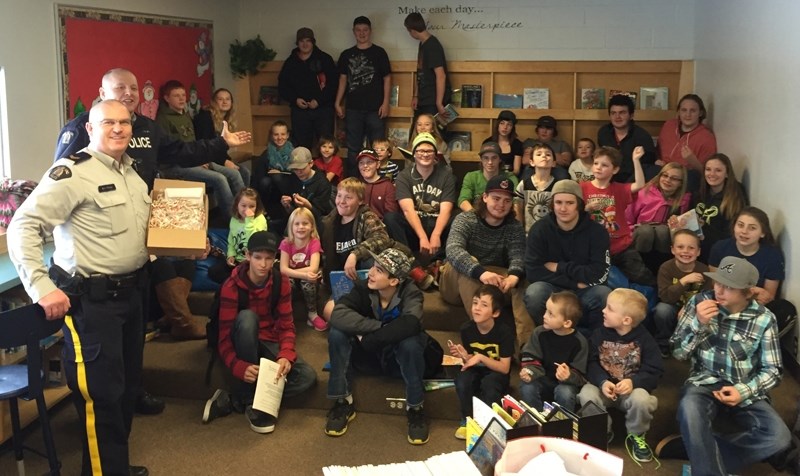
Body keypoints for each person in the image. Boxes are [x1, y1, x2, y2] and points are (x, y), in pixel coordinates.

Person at [52, 67, 252, 416]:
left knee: (134, 333)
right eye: (119, 88)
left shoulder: (143, 135)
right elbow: (53, 206)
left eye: (133, 88)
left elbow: (182, 154)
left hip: (139, 253)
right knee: (106, 361)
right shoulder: (78, 138)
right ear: (101, 93)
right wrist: (42, 284)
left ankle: (134, 392)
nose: (127, 95)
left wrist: (222, 144)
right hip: (95, 270)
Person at [9, 100, 151, 475]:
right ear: (90, 129)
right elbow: (23, 227)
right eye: (109, 122)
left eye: (124, 122)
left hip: (132, 297)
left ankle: (109, 467)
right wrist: (41, 286)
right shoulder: (71, 173)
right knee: (101, 399)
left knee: (124, 393)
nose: (118, 129)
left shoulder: (132, 173)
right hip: (93, 304)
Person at [658, 256, 794, 475]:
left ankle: (695, 447)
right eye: (718, 282)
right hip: (703, 382)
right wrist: (698, 324)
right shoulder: (699, 303)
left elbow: (774, 370)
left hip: (745, 387)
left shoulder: (764, 318)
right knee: (690, 410)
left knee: (779, 437)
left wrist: (743, 391)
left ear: (748, 292)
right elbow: (678, 353)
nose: (719, 290)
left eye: (729, 287)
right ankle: (700, 449)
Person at [203, 231, 317, 434]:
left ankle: (241, 398)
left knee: (306, 377)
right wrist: (238, 366)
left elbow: (287, 325)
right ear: (247, 256)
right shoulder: (231, 286)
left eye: (268, 258)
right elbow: (223, 338)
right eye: (257, 257)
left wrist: (286, 354)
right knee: (248, 319)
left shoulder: (280, 281)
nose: (263, 264)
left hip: (268, 340)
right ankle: (251, 399)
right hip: (242, 340)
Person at [325, 247, 433, 445]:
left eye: (380, 270)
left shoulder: (412, 293)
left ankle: (415, 408)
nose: (371, 273)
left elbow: (411, 323)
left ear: (394, 281)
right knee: (337, 333)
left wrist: (369, 338)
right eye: (373, 267)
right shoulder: (363, 287)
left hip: (396, 357)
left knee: (410, 342)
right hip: (368, 355)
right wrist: (380, 327)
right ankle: (343, 401)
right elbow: (338, 314)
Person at [440, 174, 531, 347]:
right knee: (470, 268)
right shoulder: (466, 219)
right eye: (496, 198)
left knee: (522, 278)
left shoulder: (514, 226)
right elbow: (453, 249)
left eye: (506, 201)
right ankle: (490, 341)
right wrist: (480, 272)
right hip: (455, 281)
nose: (501, 205)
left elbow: (518, 254)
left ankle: (526, 349)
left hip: (493, 279)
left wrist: (514, 275)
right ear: (485, 197)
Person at [578, 288, 664, 465]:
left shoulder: (645, 340)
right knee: (587, 393)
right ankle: (602, 431)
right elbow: (590, 362)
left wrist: (634, 382)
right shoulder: (599, 334)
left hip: (630, 393)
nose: (603, 310)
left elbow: (655, 370)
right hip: (604, 389)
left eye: (609, 308)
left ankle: (637, 434)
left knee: (642, 399)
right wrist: (602, 381)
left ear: (626, 320)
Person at [523, 179, 611, 333]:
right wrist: (574, 283)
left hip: (585, 291)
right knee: (535, 292)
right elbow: (533, 272)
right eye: (558, 202)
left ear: (579, 204)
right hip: (555, 289)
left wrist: (559, 266)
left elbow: (600, 274)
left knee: (603, 294)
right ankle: (550, 336)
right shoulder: (539, 230)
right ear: (552, 204)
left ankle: (592, 340)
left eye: (569, 203)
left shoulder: (597, 232)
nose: (563, 208)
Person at [156, 79, 246, 222]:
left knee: (235, 173)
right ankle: (233, 221)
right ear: (166, 98)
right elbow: (172, 153)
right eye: (176, 96)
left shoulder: (184, 115)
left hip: (195, 159)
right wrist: (197, 161)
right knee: (219, 178)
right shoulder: (162, 120)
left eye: (183, 95)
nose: (181, 99)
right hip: (175, 166)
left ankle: (247, 213)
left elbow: (195, 144)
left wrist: (200, 158)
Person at [582, 146, 655, 286]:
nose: (598, 167)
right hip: (594, 247)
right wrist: (587, 208)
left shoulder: (619, 189)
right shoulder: (582, 187)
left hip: (621, 246)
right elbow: (575, 214)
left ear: (615, 170)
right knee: (600, 282)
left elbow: (640, 184)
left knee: (642, 276)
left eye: (604, 165)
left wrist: (636, 160)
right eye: (596, 163)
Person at [450, 285, 514, 440]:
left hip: (496, 372)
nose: (477, 308)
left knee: (490, 384)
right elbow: (471, 359)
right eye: (475, 303)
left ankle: (488, 423)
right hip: (477, 369)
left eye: (484, 305)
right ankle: (467, 419)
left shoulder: (504, 332)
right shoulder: (467, 329)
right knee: (462, 378)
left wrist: (480, 357)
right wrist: (465, 356)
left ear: (496, 312)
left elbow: (505, 368)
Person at [708, 207, 793, 320]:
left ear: (762, 233)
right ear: (734, 226)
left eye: (752, 228)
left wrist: (740, 294)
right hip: (723, 302)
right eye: (740, 225)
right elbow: (715, 285)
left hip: (755, 308)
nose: (744, 231)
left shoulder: (773, 256)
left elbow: (767, 296)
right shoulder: (720, 248)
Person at [335, 16, 392, 178]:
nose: (362, 33)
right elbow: (343, 80)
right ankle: (354, 182)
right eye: (358, 30)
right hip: (353, 108)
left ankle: (378, 181)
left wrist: (386, 102)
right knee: (354, 148)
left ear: (370, 31)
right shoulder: (346, 54)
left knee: (378, 148)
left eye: (365, 30)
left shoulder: (379, 53)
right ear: (353, 32)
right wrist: (338, 102)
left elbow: (387, 78)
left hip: (376, 108)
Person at [385, 132, 456, 261]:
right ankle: (407, 259)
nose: (425, 154)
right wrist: (423, 237)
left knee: (459, 217)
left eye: (429, 151)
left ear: (435, 154)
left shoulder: (446, 176)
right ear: (414, 153)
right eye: (421, 151)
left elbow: (446, 210)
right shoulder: (404, 176)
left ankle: (439, 261)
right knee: (391, 218)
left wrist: (436, 234)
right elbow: (408, 210)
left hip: (438, 224)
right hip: (414, 227)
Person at [519, 291, 588, 411]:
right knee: (527, 386)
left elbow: (581, 376)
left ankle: (561, 424)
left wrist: (569, 375)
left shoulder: (580, 342)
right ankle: (536, 422)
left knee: (565, 392)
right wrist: (528, 371)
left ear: (566, 323)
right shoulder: (539, 333)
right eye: (546, 310)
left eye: (551, 314)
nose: (544, 316)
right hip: (543, 379)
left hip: (565, 385)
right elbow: (530, 357)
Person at [651, 230, 711, 357]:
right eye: (680, 247)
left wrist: (689, 309)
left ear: (698, 252)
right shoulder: (666, 268)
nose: (685, 251)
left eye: (691, 248)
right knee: (662, 310)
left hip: (694, 308)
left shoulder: (704, 270)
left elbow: (707, 296)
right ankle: (663, 344)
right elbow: (665, 297)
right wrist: (683, 281)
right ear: (672, 250)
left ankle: (692, 346)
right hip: (671, 305)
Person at [278, 27, 338, 149]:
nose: (305, 44)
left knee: (326, 146)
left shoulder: (324, 59)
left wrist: (319, 100)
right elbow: (283, 86)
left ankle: (327, 169)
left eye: (308, 41)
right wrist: (295, 99)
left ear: (313, 42)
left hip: (323, 110)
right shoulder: (291, 62)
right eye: (301, 41)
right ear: (297, 43)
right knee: (301, 147)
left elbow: (333, 85)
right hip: (300, 112)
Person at [693, 153, 748, 262]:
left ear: (727, 173)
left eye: (718, 170)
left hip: (720, 246)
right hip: (697, 242)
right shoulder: (699, 191)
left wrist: (705, 229)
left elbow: (732, 232)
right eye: (708, 169)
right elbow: (690, 215)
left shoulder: (735, 193)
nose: (712, 174)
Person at [626, 162, 691, 255]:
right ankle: (638, 263)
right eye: (665, 175)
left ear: (681, 183)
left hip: (664, 239)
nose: (668, 180)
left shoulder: (684, 200)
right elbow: (627, 218)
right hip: (640, 234)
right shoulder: (644, 192)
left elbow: (683, 228)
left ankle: (660, 265)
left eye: (674, 178)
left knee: (662, 231)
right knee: (646, 231)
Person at [656, 93, 717, 192]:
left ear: (700, 113)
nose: (688, 115)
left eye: (692, 111)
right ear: (679, 112)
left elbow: (707, 175)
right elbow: (657, 150)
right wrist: (657, 160)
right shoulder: (669, 125)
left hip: (684, 179)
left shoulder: (706, 137)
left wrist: (693, 161)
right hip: (663, 172)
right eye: (684, 110)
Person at [193, 87, 252, 189]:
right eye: (220, 99)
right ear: (214, 102)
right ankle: (237, 204)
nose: (224, 102)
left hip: (217, 158)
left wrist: (226, 160)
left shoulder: (225, 120)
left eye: (227, 99)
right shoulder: (205, 117)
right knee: (235, 174)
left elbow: (221, 148)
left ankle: (242, 202)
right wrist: (224, 162)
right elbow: (206, 147)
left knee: (245, 172)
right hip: (205, 159)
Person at [279, 207, 326, 331]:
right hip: (294, 279)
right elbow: (282, 269)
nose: (301, 227)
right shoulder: (286, 243)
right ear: (291, 227)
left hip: (307, 279)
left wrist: (298, 274)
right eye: (297, 224)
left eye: (305, 223)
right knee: (286, 282)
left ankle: (312, 314)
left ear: (312, 226)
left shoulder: (314, 242)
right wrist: (303, 274)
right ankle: (286, 316)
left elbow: (314, 268)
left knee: (309, 280)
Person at [404, 12, 452, 125]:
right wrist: (416, 95)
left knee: (434, 134)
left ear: (412, 30)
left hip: (433, 101)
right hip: (424, 98)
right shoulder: (423, 44)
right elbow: (420, 72)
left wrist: (439, 103)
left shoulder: (432, 45)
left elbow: (441, 75)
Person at [597, 94, 656, 183]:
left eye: (622, 113)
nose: (617, 117)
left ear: (631, 115)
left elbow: (647, 168)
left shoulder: (643, 137)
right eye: (613, 113)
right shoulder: (603, 133)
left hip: (634, 183)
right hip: (608, 181)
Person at [276, 146, 333, 233]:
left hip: (316, 224)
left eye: (302, 168)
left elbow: (323, 214)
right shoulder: (292, 179)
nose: (299, 172)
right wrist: (287, 206)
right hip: (295, 221)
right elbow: (291, 212)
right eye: (295, 169)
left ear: (311, 164)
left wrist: (308, 206)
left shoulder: (322, 183)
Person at [459, 141, 518, 212]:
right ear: (481, 159)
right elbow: (463, 200)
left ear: (500, 159)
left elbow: (516, 204)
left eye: (494, 158)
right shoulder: (471, 177)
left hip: (502, 217)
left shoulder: (510, 178)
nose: (490, 162)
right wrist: (476, 217)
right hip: (476, 216)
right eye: (486, 158)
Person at [515, 142, 560, 234]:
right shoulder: (524, 184)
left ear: (554, 163)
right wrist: (520, 230)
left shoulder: (558, 186)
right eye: (539, 154)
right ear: (531, 162)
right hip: (529, 233)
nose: (544, 156)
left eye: (548, 154)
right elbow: (517, 207)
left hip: (552, 234)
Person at [252, 120, 294, 216]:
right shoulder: (266, 154)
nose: (279, 138)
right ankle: (263, 210)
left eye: (283, 134)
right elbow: (259, 177)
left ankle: (290, 206)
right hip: (270, 191)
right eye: (276, 134)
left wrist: (280, 172)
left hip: (288, 188)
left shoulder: (294, 153)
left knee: (277, 176)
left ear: (287, 135)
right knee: (268, 179)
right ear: (271, 135)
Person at [226, 187, 268, 272]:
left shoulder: (260, 219)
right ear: (237, 205)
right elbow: (231, 239)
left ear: (257, 206)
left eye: (252, 206)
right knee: (214, 271)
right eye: (243, 205)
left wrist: (249, 220)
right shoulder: (234, 220)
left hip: (253, 261)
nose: (247, 210)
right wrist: (231, 254)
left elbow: (254, 241)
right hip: (238, 259)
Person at [356, 148, 397, 220]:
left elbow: (391, 214)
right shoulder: (355, 185)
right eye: (361, 163)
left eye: (369, 162)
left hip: (381, 227)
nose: (365, 166)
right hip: (358, 226)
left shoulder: (387, 186)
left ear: (378, 164)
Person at [530, 115, 572, 179]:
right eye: (541, 127)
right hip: (533, 169)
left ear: (554, 131)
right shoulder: (530, 142)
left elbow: (566, 161)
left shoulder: (562, 144)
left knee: (563, 177)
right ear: (537, 129)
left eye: (548, 128)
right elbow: (525, 160)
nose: (544, 131)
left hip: (557, 170)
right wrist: (552, 156)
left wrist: (538, 155)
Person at [482, 110, 523, 176]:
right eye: (502, 123)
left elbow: (516, 170)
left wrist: (504, 176)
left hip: (510, 178)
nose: (505, 127)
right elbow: (484, 165)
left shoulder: (517, 144)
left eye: (509, 124)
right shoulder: (488, 142)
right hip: (490, 176)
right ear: (497, 125)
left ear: (512, 128)